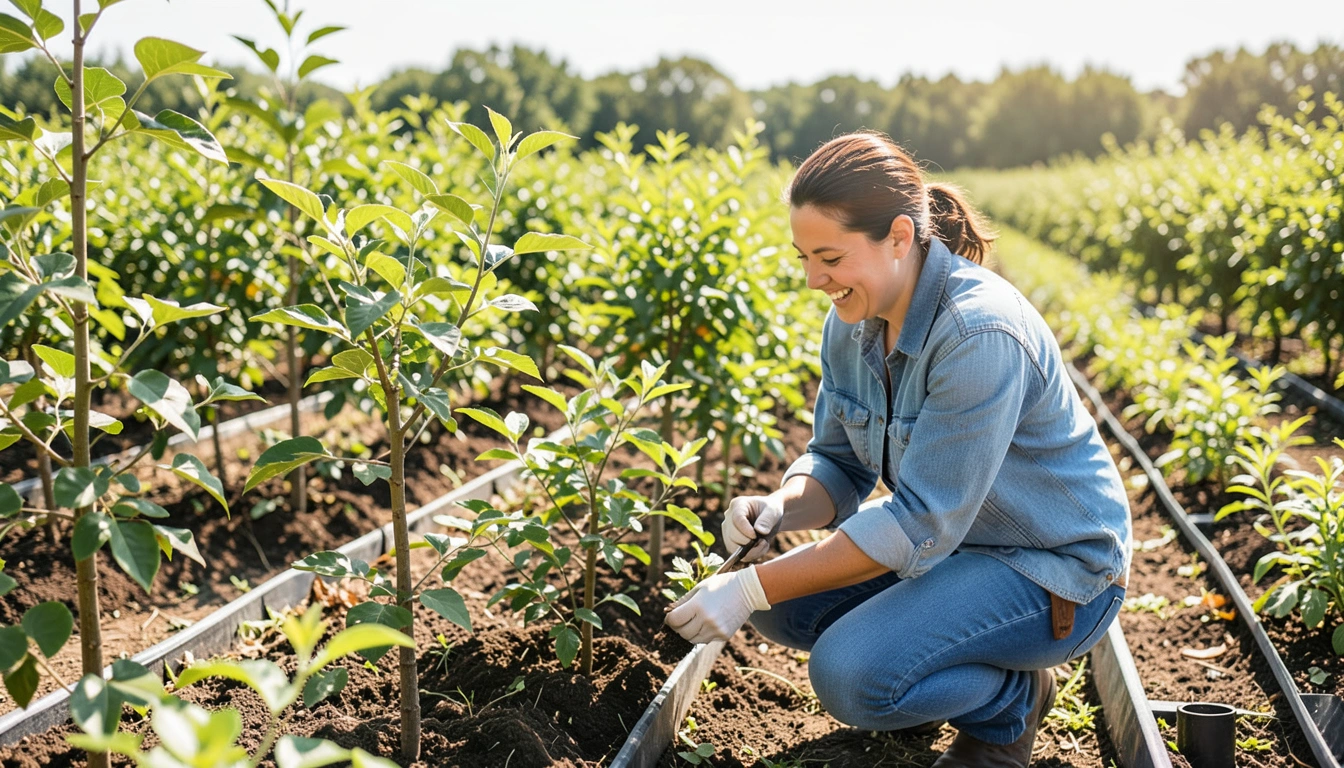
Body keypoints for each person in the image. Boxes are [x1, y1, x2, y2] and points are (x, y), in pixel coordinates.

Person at [664, 132, 1131, 768]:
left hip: (1053, 570)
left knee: (848, 674)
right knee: (785, 610)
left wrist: (746, 588)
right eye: (803, 256)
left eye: (828, 256)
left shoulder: (978, 334)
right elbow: (838, 462)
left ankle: (1007, 705)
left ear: (901, 238)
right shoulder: (852, 322)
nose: (811, 279)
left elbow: (918, 521)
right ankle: (931, 675)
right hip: (957, 547)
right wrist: (778, 508)